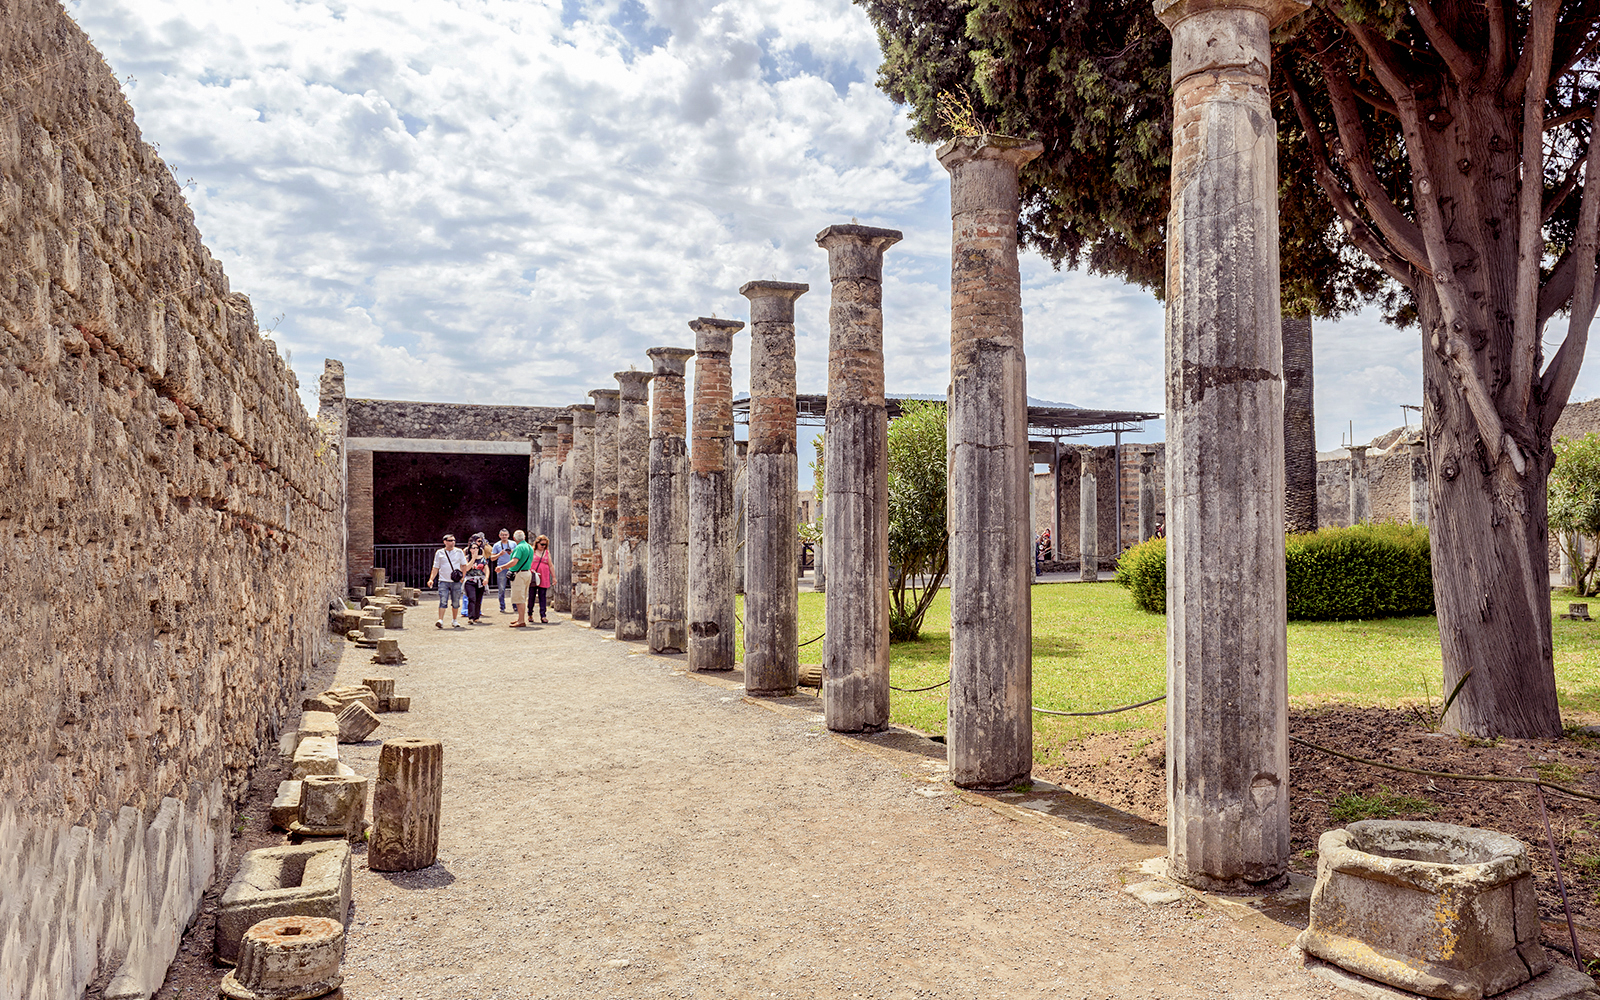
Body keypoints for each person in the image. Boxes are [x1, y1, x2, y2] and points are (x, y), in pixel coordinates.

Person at [426, 533, 466, 629]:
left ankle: (454, 620)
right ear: (445, 542)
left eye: (454, 540)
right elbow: (436, 567)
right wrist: (431, 579)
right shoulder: (439, 552)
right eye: (450, 540)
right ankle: (440, 620)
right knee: (443, 600)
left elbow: (464, 565)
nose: (452, 542)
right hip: (443, 580)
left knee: (455, 601)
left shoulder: (459, 552)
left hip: (455, 580)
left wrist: (462, 577)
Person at [505, 529, 535, 627]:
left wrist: (502, 567)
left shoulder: (519, 548)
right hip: (527, 573)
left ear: (514, 538)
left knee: (519, 598)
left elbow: (514, 561)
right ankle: (520, 618)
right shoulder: (529, 547)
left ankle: (521, 620)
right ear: (524, 537)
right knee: (523, 596)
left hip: (519, 574)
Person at [463, 534, 493, 624]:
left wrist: (486, 578)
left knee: (478, 599)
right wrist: (473, 558)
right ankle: (471, 617)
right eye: (473, 548)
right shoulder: (466, 558)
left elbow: (486, 568)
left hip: (480, 580)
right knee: (472, 598)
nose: (474, 549)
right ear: (469, 549)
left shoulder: (482, 559)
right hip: (470, 580)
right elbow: (467, 568)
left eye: (476, 548)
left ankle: (476, 616)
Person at [528, 534, 553, 624]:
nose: (543, 546)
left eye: (545, 545)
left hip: (544, 576)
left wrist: (554, 577)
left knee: (543, 596)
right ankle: (530, 613)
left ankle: (543, 615)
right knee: (532, 596)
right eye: (542, 544)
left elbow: (550, 565)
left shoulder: (546, 552)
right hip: (533, 576)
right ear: (537, 543)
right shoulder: (532, 551)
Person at [492, 528, 515, 613]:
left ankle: (515, 606)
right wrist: (499, 554)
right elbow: (492, 558)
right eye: (502, 535)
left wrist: (511, 552)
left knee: (514, 588)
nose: (504, 536)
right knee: (501, 588)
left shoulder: (513, 544)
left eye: (506, 535)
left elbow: (518, 555)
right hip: (501, 568)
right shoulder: (496, 545)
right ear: (499, 536)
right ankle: (502, 606)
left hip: (512, 568)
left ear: (508, 535)